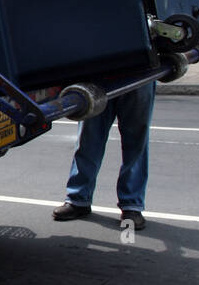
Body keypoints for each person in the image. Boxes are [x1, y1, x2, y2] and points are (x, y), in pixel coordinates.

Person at [52, 83, 155, 230]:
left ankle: (132, 205)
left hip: (139, 73)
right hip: (97, 76)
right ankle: (78, 199)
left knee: (136, 142)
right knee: (89, 139)